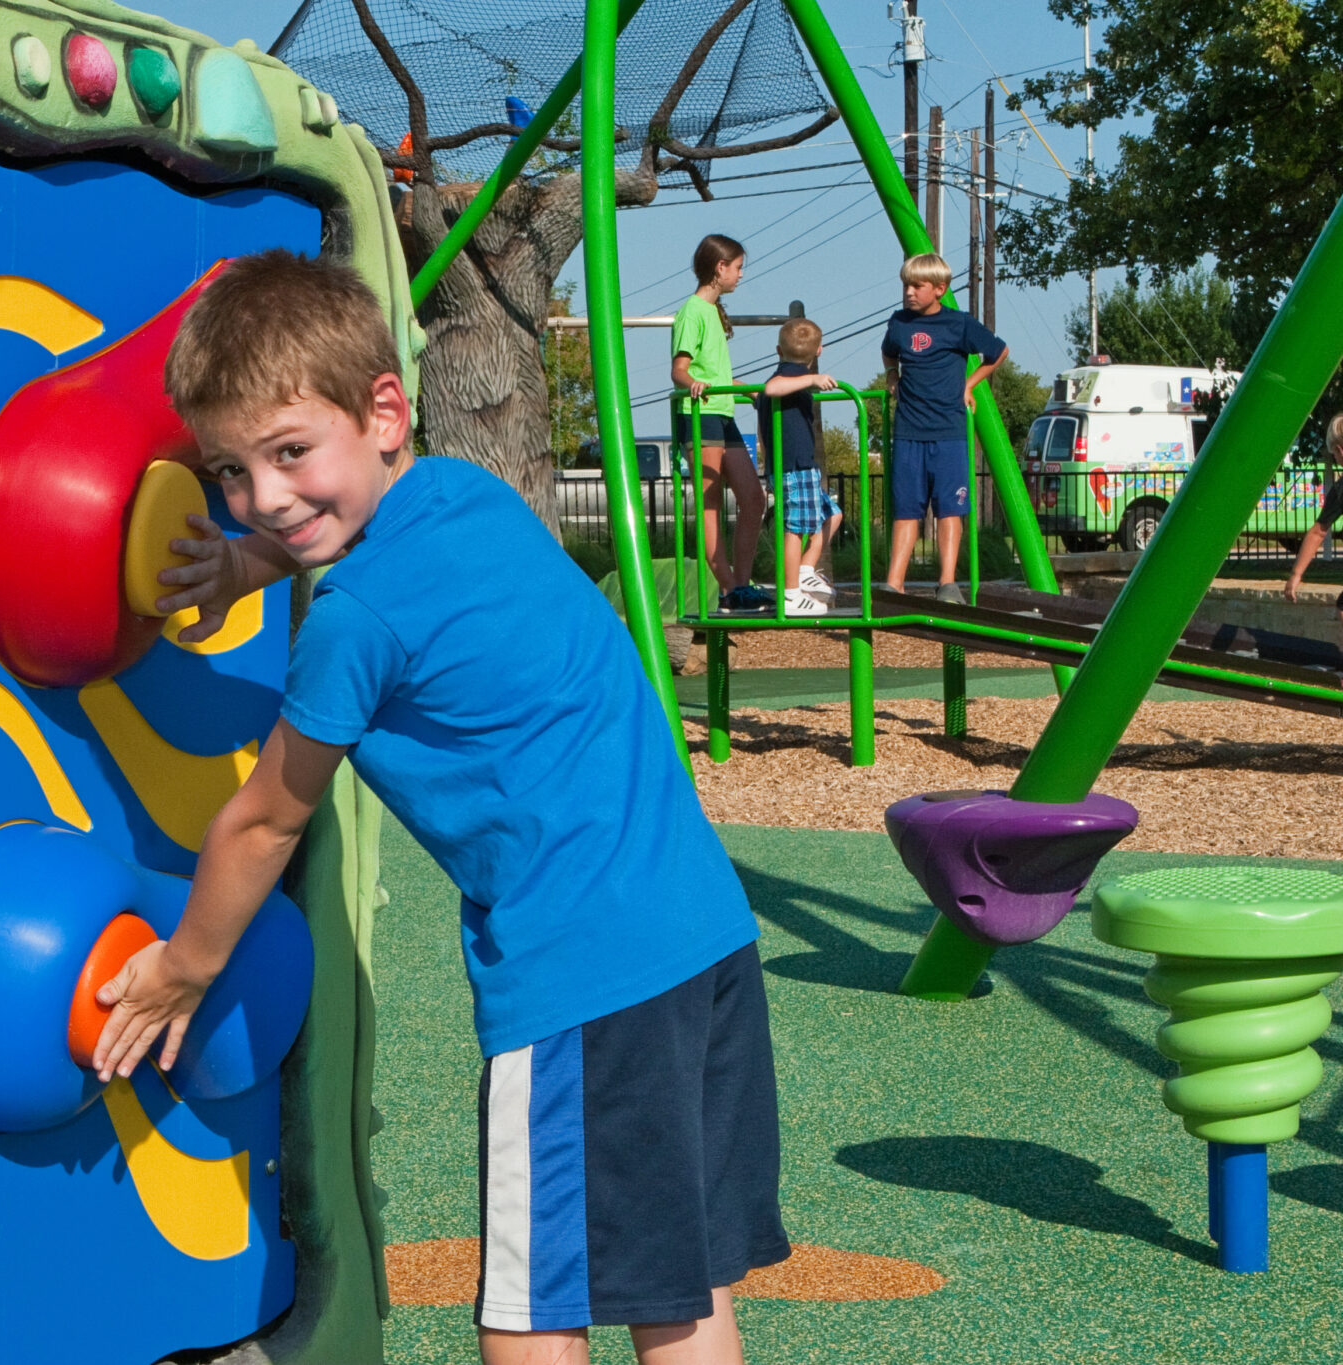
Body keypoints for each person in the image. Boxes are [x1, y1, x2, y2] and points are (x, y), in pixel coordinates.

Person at [94, 250, 788, 1365]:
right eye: (228, 472)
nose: (262, 498)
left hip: (579, 976)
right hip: (701, 933)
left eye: (285, 454)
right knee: (681, 1282)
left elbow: (264, 820)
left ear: (382, 409)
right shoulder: (467, 494)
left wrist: (184, 962)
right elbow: (344, 517)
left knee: (530, 1299)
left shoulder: (351, 626)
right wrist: (240, 566)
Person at [879, 253, 1007, 600]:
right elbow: (889, 352)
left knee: (950, 509)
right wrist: (893, 374)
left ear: (939, 289)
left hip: (949, 431)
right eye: (906, 284)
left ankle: (947, 582)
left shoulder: (958, 324)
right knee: (907, 509)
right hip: (909, 431)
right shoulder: (899, 324)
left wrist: (969, 384)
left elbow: (997, 352)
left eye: (917, 286)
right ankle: (894, 582)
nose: (909, 292)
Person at [672, 234, 772, 613]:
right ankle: (728, 587)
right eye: (738, 267)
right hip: (700, 415)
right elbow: (680, 369)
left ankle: (741, 584)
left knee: (753, 497)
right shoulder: (692, 311)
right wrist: (692, 383)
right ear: (720, 268)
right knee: (710, 502)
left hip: (724, 413)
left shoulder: (713, 312)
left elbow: (713, 370)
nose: (741, 275)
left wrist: (745, 391)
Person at [753, 318, 843, 617]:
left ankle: (805, 569)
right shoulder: (788, 377)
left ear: (778, 349)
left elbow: (764, 395)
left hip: (802, 466)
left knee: (833, 514)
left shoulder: (788, 377)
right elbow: (772, 388)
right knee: (795, 529)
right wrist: (813, 379)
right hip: (793, 467)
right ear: (819, 351)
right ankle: (791, 593)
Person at [1281, 414, 1343, 651]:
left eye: (1334, 456)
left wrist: (1296, 574)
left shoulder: (1341, 489)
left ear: (1340, 450)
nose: (1335, 460)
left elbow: (1318, 532)